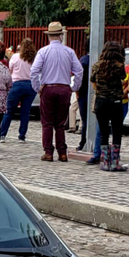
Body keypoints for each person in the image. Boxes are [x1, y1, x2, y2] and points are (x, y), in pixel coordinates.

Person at [30, 21, 83, 162]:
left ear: (49, 36)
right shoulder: (69, 52)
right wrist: (74, 87)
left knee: (47, 122)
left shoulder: (43, 51)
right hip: (64, 87)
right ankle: (62, 152)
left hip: (48, 88)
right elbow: (79, 71)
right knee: (60, 123)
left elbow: (34, 71)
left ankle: (48, 152)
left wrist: (37, 88)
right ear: (61, 35)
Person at [90, 41, 128, 171]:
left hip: (101, 101)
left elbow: (94, 84)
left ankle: (105, 161)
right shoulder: (120, 65)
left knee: (103, 132)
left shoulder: (96, 66)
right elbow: (123, 80)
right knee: (117, 131)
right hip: (115, 101)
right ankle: (115, 162)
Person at [0, 38, 36, 143]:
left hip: (16, 83)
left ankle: (2, 134)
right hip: (30, 85)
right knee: (25, 112)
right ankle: (22, 135)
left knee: (9, 111)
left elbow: (10, 69)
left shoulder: (15, 56)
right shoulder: (34, 58)